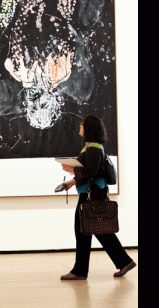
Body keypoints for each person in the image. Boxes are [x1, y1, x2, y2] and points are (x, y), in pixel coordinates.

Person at [59, 115, 136, 280]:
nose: (79, 127)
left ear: (88, 129)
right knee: (95, 230)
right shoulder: (92, 147)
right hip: (92, 192)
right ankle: (124, 262)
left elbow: (92, 171)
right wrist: (72, 182)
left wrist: (72, 171)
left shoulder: (93, 148)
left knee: (84, 230)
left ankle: (80, 271)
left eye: (82, 125)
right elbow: (93, 171)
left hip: (92, 194)